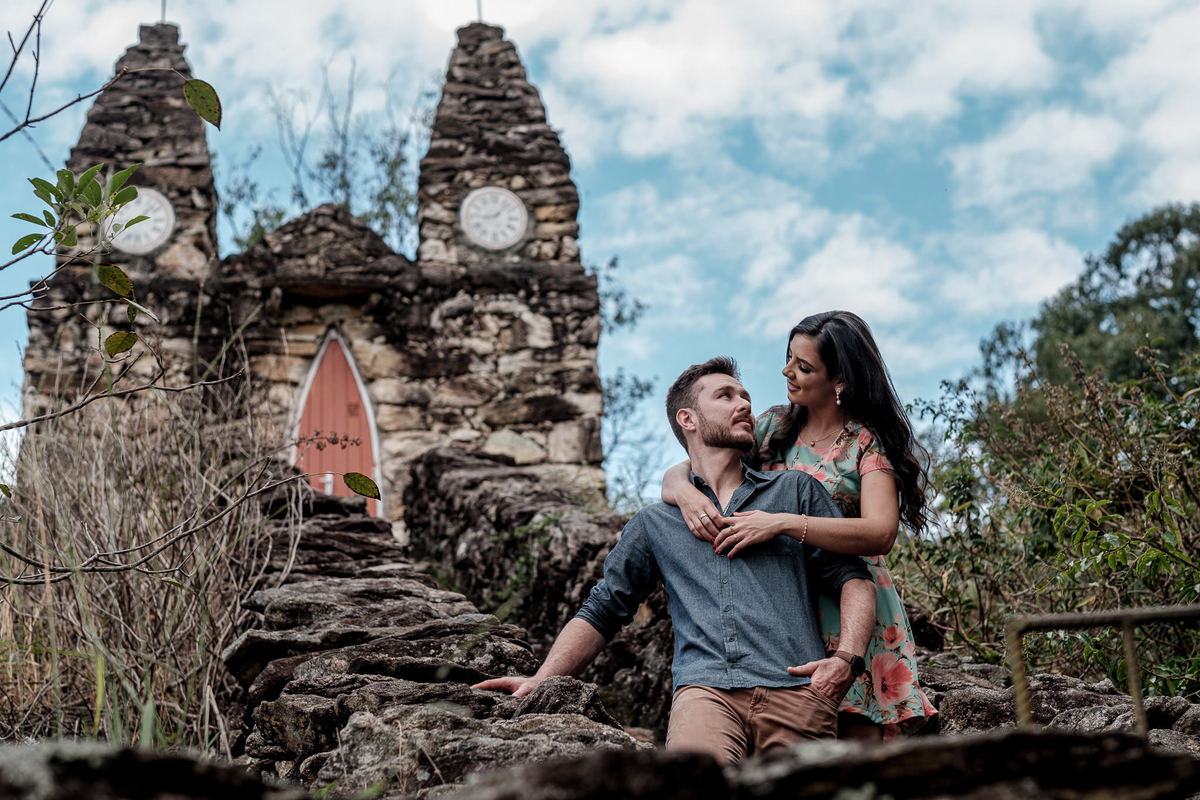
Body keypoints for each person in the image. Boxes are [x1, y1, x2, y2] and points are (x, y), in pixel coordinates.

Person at [474, 357, 876, 763]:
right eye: (725, 396)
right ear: (688, 419)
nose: (744, 405)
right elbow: (603, 608)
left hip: (799, 692)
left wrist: (845, 661)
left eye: (745, 397)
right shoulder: (656, 522)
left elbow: (854, 578)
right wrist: (541, 679)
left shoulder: (794, 491)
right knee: (692, 789)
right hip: (706, 695)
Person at [661, 311, 936, 741]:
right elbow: (698, 460)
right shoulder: (774, 427)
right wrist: (683, 492)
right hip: (786, 603)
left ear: (839, 379)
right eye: (789, 358)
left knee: (856, 740)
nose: (787, 372)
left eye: (803, 367)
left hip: (851, 599)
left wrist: (784, 524)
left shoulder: (865, 444)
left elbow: (881, 533)